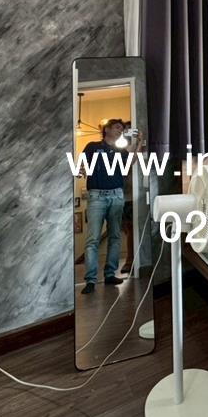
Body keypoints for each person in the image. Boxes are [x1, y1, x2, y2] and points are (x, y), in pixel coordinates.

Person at [80, 118, 131, 293]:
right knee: (93, 239)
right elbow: (82, 164)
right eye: (117, 127)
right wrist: (81, 169)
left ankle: (110, 274)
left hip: (116, 195)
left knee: (115, 236)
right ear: (106, 129)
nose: (120, 131)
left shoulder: (121, 150)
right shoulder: (93, 146)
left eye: (121, 129)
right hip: (97, 196)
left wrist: (139, 143)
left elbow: (129, 164)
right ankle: (91, 280)